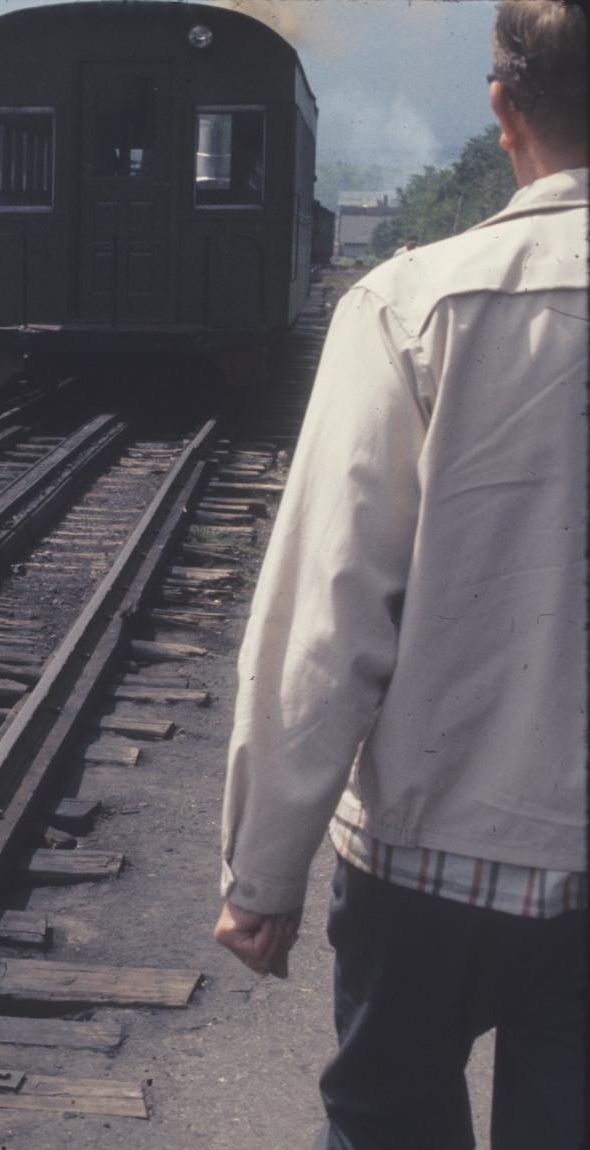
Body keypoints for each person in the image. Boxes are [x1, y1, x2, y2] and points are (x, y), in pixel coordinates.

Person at [214, 3, 587, 1147]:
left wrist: (259, 868)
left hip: (426, 853)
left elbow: (325, 612)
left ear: (501, 104)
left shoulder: (413, 304)